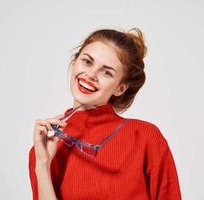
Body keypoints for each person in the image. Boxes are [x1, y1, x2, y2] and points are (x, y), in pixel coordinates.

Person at [28, 27, 181, 200]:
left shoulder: (145, 136)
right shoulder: (45, 148)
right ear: (74, 63)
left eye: (106, 72)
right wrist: (42, 165)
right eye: (87, 61)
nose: (91, 74)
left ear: (120, 88)